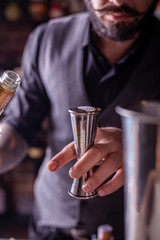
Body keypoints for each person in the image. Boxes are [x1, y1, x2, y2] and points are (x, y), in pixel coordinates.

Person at [0, 0, 160, 239]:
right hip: (50, 225)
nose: (118, 1)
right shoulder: (46, 38)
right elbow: (20, 126)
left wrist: (145, 149)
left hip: (137, 229)